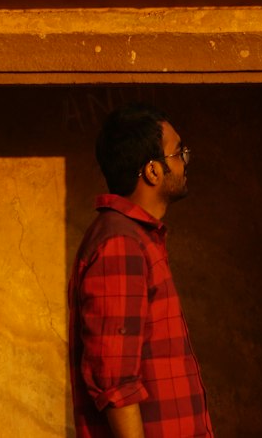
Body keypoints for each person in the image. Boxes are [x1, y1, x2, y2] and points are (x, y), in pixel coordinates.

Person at [68, 104, 214, 438]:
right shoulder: (120, 243)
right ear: (152, 171)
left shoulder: (136, 237)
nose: (185, 161)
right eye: (179, 153)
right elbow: (115, 382)